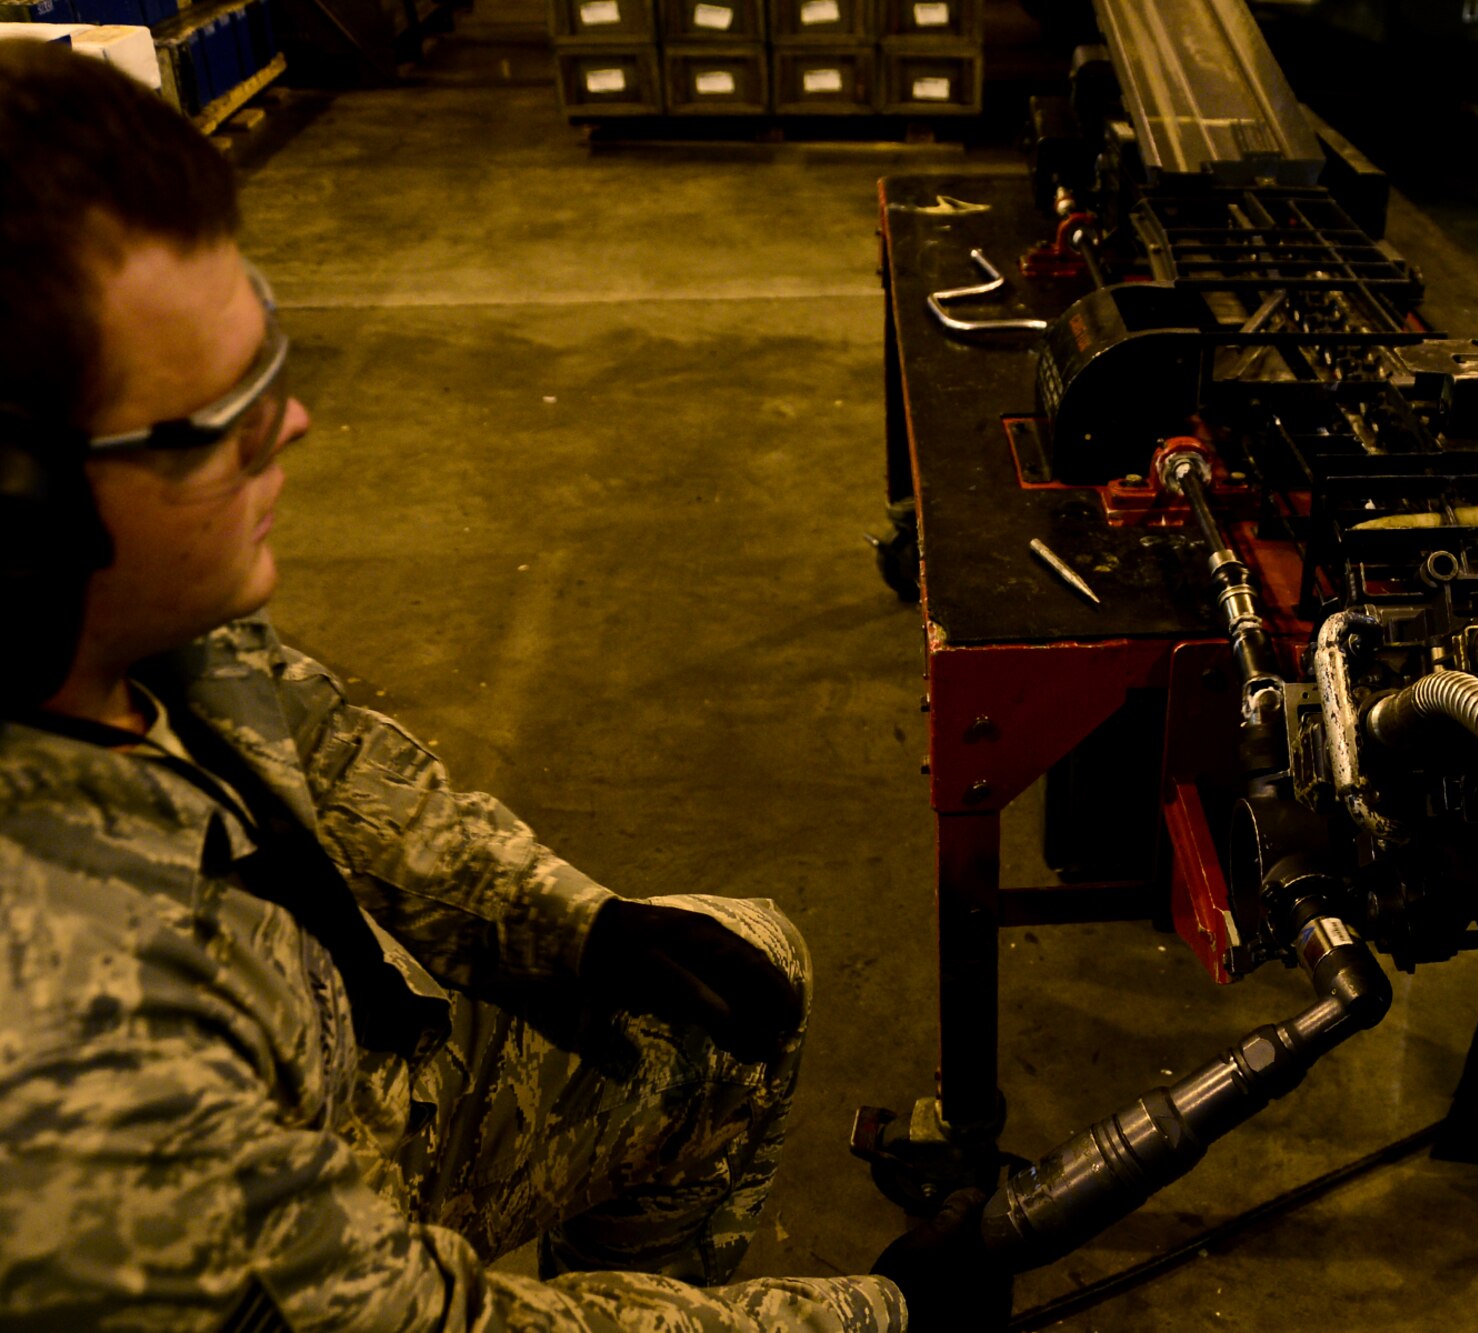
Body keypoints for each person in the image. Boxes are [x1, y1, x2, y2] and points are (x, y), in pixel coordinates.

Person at [0, 38, 989, 1332]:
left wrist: (568, 925)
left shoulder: (116, 618)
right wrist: (874, 1317)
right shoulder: (78, 1052)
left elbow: (323, 751)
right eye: (220, 416)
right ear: (18, 513)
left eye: (271, 357)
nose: (289, 424)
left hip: (351, 1071)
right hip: (294, 1231)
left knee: (737, 991)